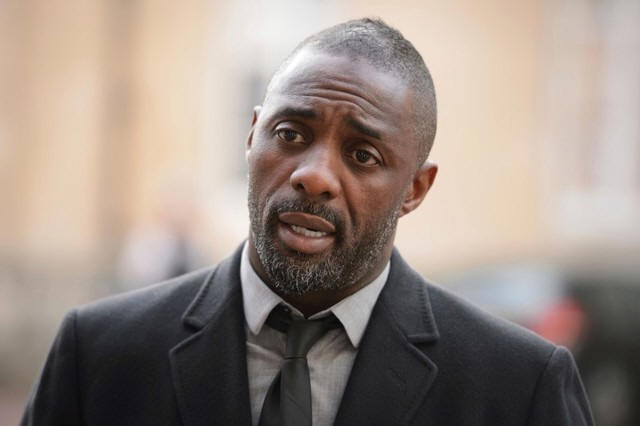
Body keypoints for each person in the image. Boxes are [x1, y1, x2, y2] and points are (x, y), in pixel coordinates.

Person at [22, 18, 594, 426]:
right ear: (252, 136)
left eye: (363, 155)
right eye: (291, 134)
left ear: (415, 190)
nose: (315, 176)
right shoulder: (99, 353)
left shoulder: (519, 386)